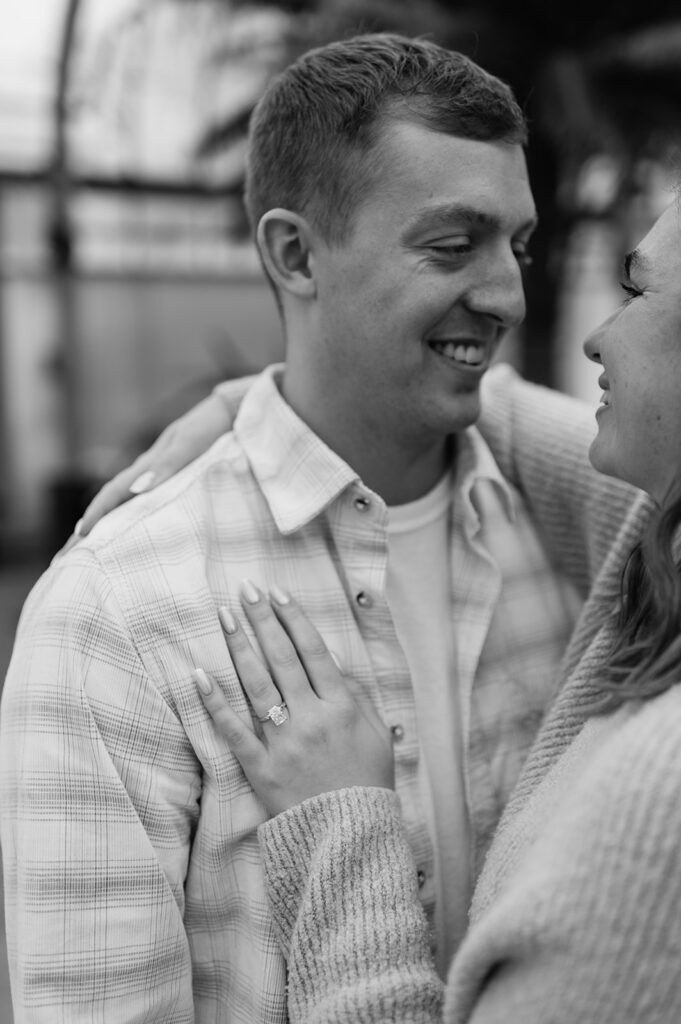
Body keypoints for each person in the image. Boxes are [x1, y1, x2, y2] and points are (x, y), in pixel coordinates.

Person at [0, 33, 643, 1023]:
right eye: (451, 243)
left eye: (515, 243)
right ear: (294, 254)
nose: (511, 294)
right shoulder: (118, 615)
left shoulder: (579, 548)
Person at [188, 198, 681, 1022]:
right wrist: (252, 405)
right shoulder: (657, 531)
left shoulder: (657, 802)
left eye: (636, 293)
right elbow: (506, 411)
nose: (596, 334)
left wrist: (342, 824)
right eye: (452, 245)